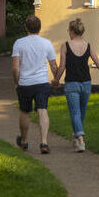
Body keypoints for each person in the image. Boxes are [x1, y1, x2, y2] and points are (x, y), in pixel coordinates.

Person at [52, 17, 99, 152]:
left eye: (68, 30)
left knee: (75, 113)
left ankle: (80, 140)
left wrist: (56, 80)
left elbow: (62, 66)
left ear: (72, 31)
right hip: (86, 84)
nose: (68, 33)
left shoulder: (65, 45)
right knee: (81, 112)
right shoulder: (88, 46)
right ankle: (77, 136)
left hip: (71, 84)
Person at [12, 15, 59, 154]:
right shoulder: (47, 43)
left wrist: (16, 82)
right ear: (40, 28)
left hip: (25, 83)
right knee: (42, 110)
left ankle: (24, 141)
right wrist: (56, 79)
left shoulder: (18, 43)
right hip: (42, 83)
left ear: (26, 28)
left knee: (25, 112)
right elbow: (53, 65)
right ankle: (44, 142)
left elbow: (15, 67)